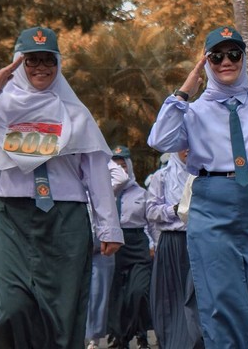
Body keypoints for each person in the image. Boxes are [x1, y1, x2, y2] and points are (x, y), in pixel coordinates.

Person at [0, 26, 123, 349]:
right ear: (17, 63)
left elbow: (96, 173)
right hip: (14, 217)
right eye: (31, 60)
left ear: (58, 63)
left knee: (64, 313)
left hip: (67, 219)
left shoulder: (76, 114)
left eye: (48, 60)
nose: (41, 67)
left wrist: (109, 227)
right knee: (12, 307)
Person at [147, 25, 248, 348]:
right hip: (212, 209)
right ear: (207, 63)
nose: (226, 62)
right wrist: (186, 88)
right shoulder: (193, 111)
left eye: (234, 54)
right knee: (222, 304)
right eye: (216, 57)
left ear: (243, 59)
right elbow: (159, 138)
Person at [146, 149, 204, 349]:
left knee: (197, 296)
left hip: (199, 241)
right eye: (182, 144)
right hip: (171, 242)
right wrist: (174, 209)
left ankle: (196, 341)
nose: (187, 149)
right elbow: (151, 210)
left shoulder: (205, 174)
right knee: (169, 297)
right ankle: (172, 342)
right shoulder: (161, 177)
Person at [107, 146, 154, 349]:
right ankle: (120, 338)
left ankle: (141, 332)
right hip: (115, 244)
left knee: (138, 291)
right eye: (116, 165)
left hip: (138, 243)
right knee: (118, 295)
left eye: (123, 165)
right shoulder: (106, 192)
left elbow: (151, 223)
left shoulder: (142, 193)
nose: (120, 169)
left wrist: (154, 243)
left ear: (130, 167)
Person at [85, 160, 130, 349]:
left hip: (101, 241)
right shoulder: (72, 183)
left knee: (98, 292)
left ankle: (92, 339)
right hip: (77, 238)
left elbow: (122, 176)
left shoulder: (103, 189)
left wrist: (99, 154)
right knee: (76, 289)